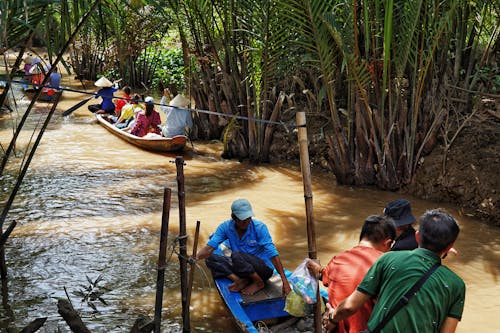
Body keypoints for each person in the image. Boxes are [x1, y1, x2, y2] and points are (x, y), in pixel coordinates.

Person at [325, 208, 465, 333]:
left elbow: (350, 306)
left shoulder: (388, 259)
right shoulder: (457, 285)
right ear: (450, 246)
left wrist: (332, 318)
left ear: (417, 237)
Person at [307, 215, 396, 333]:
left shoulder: (337, 260)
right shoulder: (386, 265)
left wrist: (316, 268)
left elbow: (325, 276)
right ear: (388, 243)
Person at [195, 198, 292, 296]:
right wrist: (195, 257)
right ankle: (239, 280)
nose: (246, 222)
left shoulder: (259, 228)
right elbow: (209, 248)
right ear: (234, 217)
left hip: (262, 270)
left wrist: (285, 281)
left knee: (236, 255)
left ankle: (258, 282)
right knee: (210, 259)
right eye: (242, 219)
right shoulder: (225, 227)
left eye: (248, 218)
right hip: (241, 266)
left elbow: (273, 254)